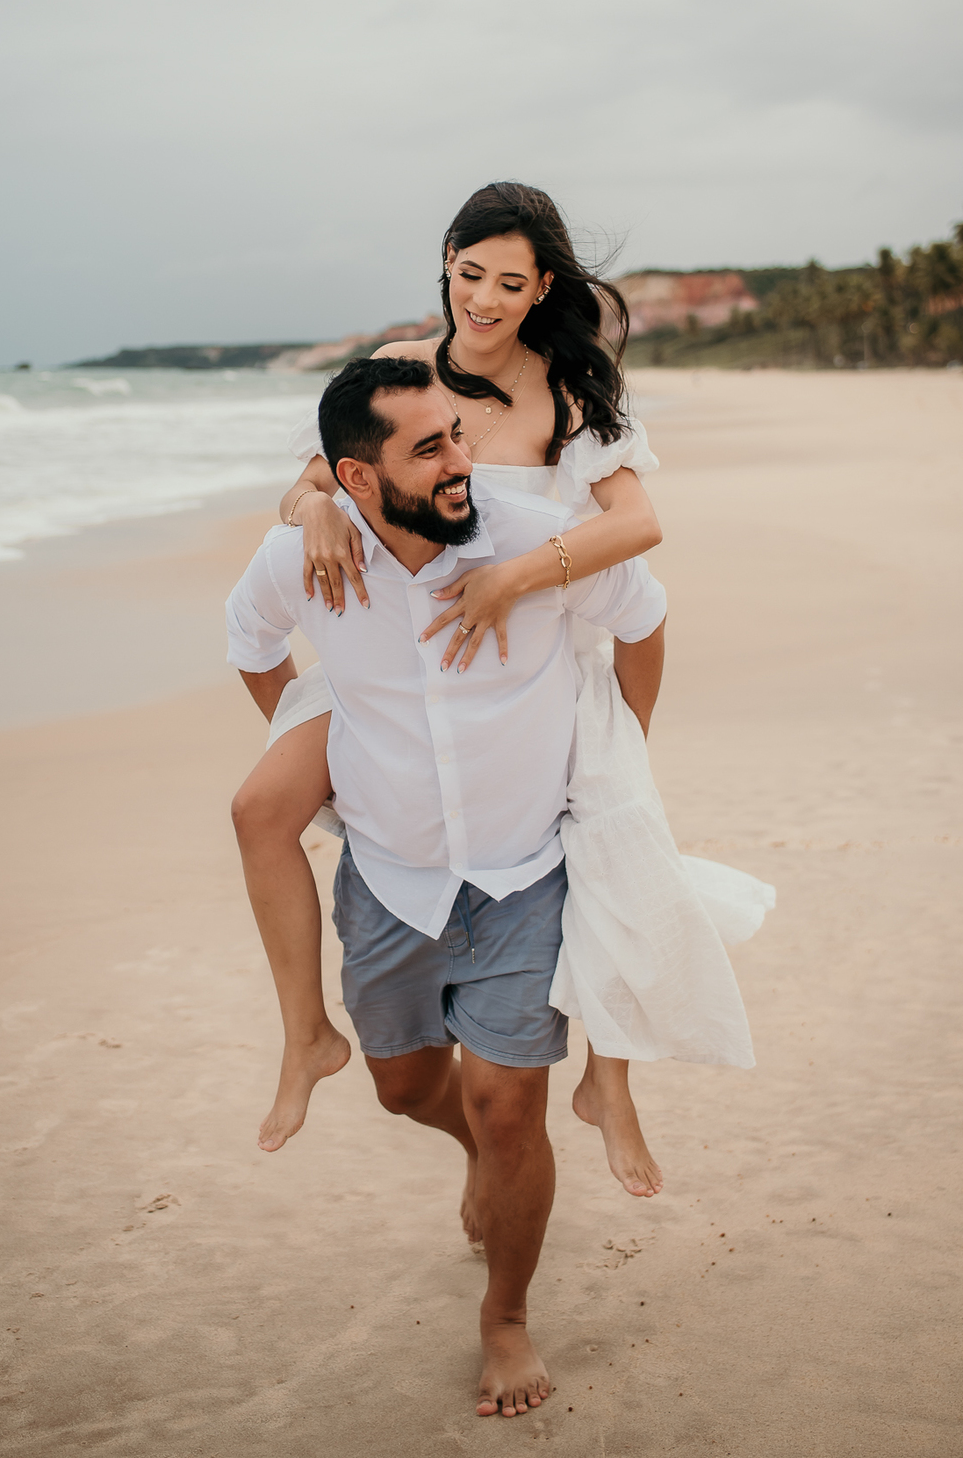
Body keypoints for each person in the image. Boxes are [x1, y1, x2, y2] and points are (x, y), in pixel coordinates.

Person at [233, 181, 772, 1189]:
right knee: (262, 801)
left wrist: (515, 578)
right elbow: (325, 473)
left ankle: (608, 1083)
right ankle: (304, 1031)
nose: (482, 298)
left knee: (615, 833)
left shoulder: (566, 389)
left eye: (509, 282)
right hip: (393, 658)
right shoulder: (402, 366)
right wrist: (308, 507)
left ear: (542, 289)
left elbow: (638, 527)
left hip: (536, 651)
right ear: (446, 260)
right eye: (469, 272)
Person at [225, 356, 670, 1417]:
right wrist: (323, 743)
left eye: (460, 435)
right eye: (430, 449)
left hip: (525, 877)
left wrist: (621, 755)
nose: (464, 462)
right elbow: (249, 645)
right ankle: (471, 1147)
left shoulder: (527, 542)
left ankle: (506, 1317)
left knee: (511, 1109)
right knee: (406, 1089)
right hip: (391, 883)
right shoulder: (306, 556)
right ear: (357, 479)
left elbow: (644, 616)